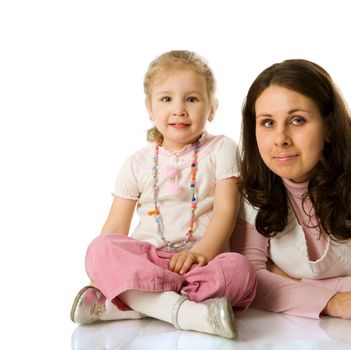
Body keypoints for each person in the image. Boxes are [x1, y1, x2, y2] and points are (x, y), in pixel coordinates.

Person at [70, 50, 257, 339]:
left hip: (199, 263)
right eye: (166, 99)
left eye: (192, 99)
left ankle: (131, 305)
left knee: (240, 270)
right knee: (100, 248)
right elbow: (115, 229)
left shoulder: (222, 149)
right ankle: (188, 312)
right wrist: (101, 272)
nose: (179, 109)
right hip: (148, 261)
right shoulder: (136, 163)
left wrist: (201, 253)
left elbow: (225, 211)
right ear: (149, 107)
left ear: (212, 108)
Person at [231, 59, 351, 321]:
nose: (280, 138)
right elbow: (246, 280)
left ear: (328, 126)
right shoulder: (252, 183)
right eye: (268, 123)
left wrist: (287, 281)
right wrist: (335, 302)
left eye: (297, 120)